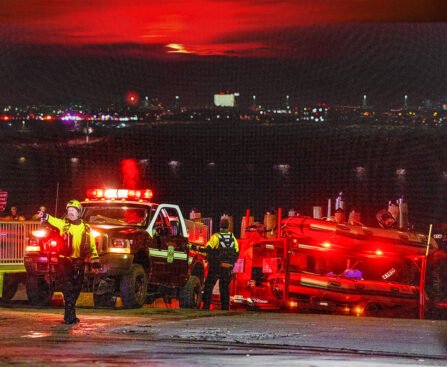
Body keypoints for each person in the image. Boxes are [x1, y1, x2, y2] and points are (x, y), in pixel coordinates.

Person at [38, 199, 100, 324]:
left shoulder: (87, 228)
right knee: (67, 289)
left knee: (76, 289)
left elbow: (92, 245)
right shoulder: (63, 224)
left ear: (79, 213)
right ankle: (70, 316)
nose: (70, 213)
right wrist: (45, 216)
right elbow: (53, 220)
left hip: (79, 263)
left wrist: (95, 260)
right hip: (64, 262)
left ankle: (70, 314)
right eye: (69, 210)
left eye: (73, 210)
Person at [202, 218, 239, 311]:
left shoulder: (216, 237)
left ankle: (206, 306)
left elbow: (208, 248)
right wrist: (231, 263)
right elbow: (237, 252)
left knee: (209, 285)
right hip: (228, 267)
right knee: (224, 288)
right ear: (228, 227)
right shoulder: (233, 238)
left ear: (220, 226)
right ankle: (225, 308)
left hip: (216, 266)